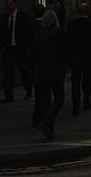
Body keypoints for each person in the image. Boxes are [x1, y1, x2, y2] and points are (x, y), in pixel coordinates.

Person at [29, 10, 66, 139]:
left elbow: (32, 53)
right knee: (59, 98)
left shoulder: (38, 34)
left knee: (45, 101)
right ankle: (46, 123)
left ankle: (49, 130)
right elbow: (63, 51)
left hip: (40, 71)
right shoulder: (57, 32)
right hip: (55, 70)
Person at [65, 3, 91, 113]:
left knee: (75, 82)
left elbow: (68, 42)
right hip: (88, 58)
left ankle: (76, 105)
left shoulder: (72, 25)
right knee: (87, 81)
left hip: (75, 58)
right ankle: (86, 102)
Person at [0, 0, 33, 102]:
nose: (9, 7)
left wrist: (25, 46)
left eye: (10, 4)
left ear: (15, 4)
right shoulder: (5, 18)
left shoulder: (23, 17)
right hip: (9, 47)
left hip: (19, 48)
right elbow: (2, 33)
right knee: (8, 72)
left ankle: (28, 89)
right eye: (7, 4)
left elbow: (27, 32)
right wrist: (3, 46)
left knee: (23, 70)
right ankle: (8, 95)